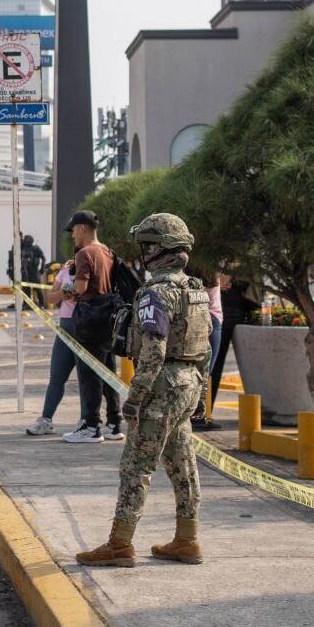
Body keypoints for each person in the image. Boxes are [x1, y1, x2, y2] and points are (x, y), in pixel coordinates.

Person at [78, 213, 210, 568]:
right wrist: (201, 395)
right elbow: (206, 347)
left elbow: (153, 351)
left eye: (145, 246)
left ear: (156, 249)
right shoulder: (195, 290)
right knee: (183, 464)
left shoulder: (156, 292)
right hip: (189, 383)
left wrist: (134, 399)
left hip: (162, 386)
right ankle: (187, 539)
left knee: (136, 466)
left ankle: (119, 545)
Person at [25, 210, 124, 443]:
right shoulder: (107, 251)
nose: (72, 236)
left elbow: (79, 288)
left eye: (73, 231)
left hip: (88, 318)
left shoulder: (85, 254)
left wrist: (66, 292)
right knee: (107, 372)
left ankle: (90, 426)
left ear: (82, 228)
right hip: (108, 317)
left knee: (88, 376)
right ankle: (113, 422)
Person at [192, 270, 230, 431]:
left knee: (194, 370)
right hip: (212, 319)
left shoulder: (189, 270)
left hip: (195, 319)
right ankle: (198, 416)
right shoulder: (210, 270)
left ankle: (194, 415)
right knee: (205, 372)